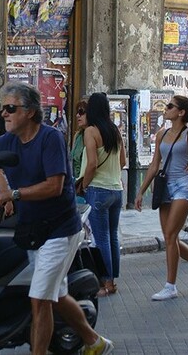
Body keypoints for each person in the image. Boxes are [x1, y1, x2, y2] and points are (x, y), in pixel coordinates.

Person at [0, 82, 113, 355]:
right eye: (2, 109)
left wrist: (12, 195)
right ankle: (94, 341)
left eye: (10, 108)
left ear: (30, 112)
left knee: (40, 299)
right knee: (54, 296)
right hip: (32, 229)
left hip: (59, 231)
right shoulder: (7, 141)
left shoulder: (50, 138)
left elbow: (54, 186)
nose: (4, 114)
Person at [135, 95, 188, 301]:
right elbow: (155, 164)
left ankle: (170, 286)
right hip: (165, 186)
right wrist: (141, 191)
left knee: (172, 236)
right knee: (168, 237)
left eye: (170, 106)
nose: (166, 109)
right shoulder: (162, 134)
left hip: (183, 185)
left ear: (181, 112)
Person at [79, 93, 126, 297]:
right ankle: (112, 279)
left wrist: (84, 184)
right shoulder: (114, 130)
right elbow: (123, 161)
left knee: (101, 238)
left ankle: (106, 282)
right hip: (117, 189)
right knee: (112, 237)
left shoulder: (91, 131)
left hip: (98, 189)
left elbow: (91, 164)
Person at [70, 100, 89, 209]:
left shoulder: (94, 135)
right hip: (76, 184)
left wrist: (84, 185)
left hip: (88, 185)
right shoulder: (77, 136)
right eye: (77, 112)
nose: (78, 115)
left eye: (81, 112)